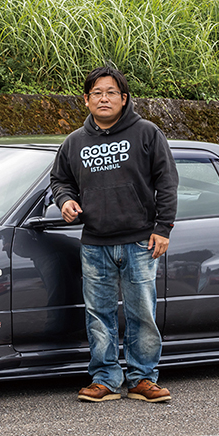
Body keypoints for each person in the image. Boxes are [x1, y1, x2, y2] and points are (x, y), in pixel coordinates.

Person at [50, 66, 178, 403]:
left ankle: (142, 379)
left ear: (124, 98)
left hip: (140, 241)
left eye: (110, 93)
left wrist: (163, 228)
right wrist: (65, 201)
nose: (103, 99)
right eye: (97, 93)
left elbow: (167, 182)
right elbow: (60, 180)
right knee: (98, 315)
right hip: (95, 243)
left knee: (142, 314)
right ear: (86, 99)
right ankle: (105, 378)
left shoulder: (147, 133)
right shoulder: (74, 142)